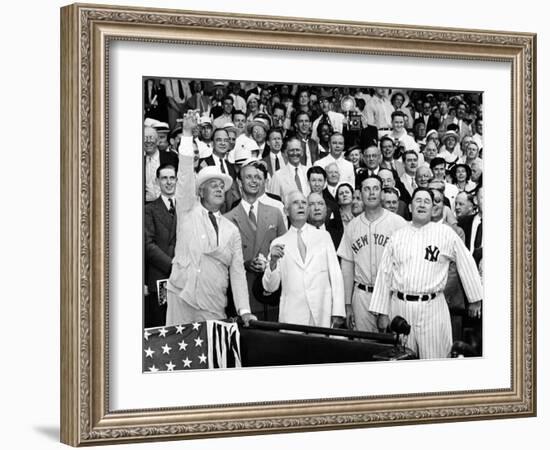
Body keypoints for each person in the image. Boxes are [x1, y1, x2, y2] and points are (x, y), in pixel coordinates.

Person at [369, 187, 483, 359]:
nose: (422, 205)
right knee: (402, 361)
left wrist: (475, 300)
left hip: (432, 308)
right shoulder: (397, 236)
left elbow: (466, 262)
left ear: (433, 208)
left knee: (434, 360)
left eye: (427, 201)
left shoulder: (445, 233)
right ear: (410, 207)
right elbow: (385, 274)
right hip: (401, 307)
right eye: (418, 200)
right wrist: (382, 312)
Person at [165, 113, 256, 326]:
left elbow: (237, 272)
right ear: (201, 191)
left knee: (210, 358)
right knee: (179, 358)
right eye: (212, 184)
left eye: (221, 186)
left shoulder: (231, 230)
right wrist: (187, 134)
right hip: (182, 298)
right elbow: (186, 175)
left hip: (214, 304)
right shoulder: (188, 209)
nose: (218, 188)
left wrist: (244, 311)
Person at [262, 190, 346, 328]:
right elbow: (270, 287)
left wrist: (338, 311)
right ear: (286, 211)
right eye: (295, 203)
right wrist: (273, 262)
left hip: (322, 313)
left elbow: (336, 275)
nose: (301, 206)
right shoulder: (278, 243)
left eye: (304, 203)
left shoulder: (323, 237)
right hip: (292, 317)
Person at [337, 175, 407, 332]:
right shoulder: (352, 226)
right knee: (364, 346)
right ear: (360, 194)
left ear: (382, 193)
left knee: (394, 344)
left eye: (376, 188)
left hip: (391, 294)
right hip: (362, 295)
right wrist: (347, 304)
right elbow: (347, 267)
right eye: (366, 189)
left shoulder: (398, 224)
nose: (371, 193)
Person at [225, 161, 287, 321]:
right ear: (239, 182)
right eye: (249, 177)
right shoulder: (227, 219)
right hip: (244, 294)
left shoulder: (275, 213)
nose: (254, 181)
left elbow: (286, 251)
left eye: (258, 177)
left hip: (272, 292)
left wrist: (270, 263)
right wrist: (246, 263)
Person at [144, 164, 178, 327]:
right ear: (157, 181)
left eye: (172, 178)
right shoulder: (148, 209)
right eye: (164, 178)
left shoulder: (186, 208)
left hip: (184, 277)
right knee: (162, 326)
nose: (169, 182)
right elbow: (148, 245)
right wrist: (172, 265)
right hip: (161, 276)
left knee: (182, 326)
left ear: (177, 180)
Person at [144, 125, 179, 202]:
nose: (148, 142)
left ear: (157, 141)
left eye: (151, 138)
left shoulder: (172, 157)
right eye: (145, 139)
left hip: (169, 202)